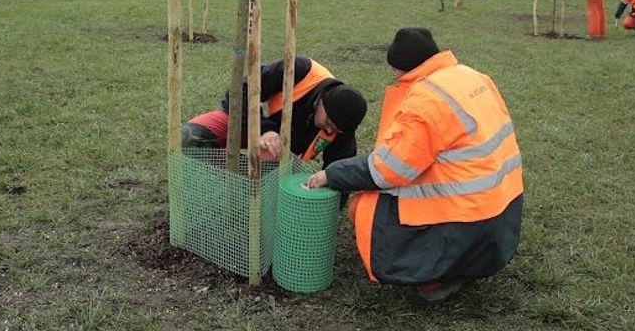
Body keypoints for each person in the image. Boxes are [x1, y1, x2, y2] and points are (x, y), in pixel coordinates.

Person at [306, 28, 523, 303]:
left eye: (396, 70)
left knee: (363, 206)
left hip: (469, 220)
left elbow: (388, 169)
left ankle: (436, 277)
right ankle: (464, 263)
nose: (395, 76)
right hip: (502, 210)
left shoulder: (426, 100)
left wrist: (332, 174)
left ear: (403, 68)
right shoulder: (473, 77)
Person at [181, 56, 367, 168]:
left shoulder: (343, 124)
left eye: (334, 129)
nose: (329, 130)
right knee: (189, 137)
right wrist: (266, 130)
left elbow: (339, 170)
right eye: (328, 123)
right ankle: (230, 176)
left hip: (279, 156)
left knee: (269, 171)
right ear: (323, 102)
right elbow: (240, 93)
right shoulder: (301, 70)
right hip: (250, 124)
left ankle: (253, 182)